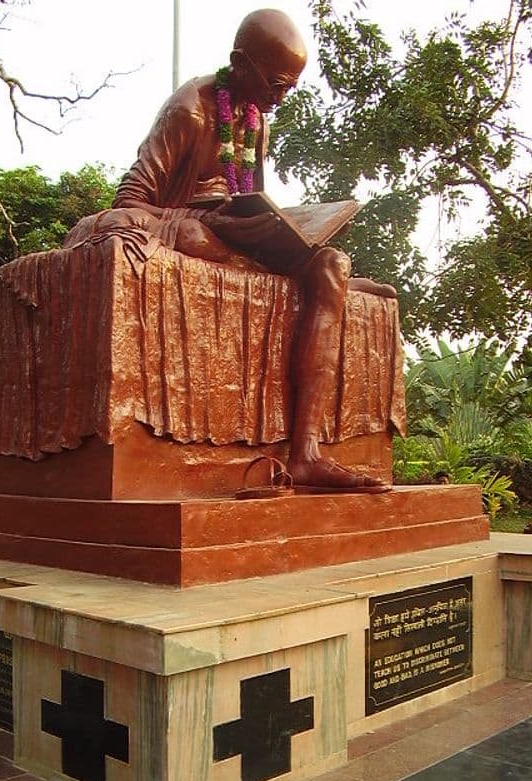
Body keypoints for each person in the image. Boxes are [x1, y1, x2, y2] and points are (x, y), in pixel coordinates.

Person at [68, 9, 396, 491]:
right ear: (239, 62)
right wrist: (201, 217)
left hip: (239, 236)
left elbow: (250, 198)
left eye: (290, 89)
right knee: (202, 240)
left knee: (332, 264)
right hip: (193, 230)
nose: (279, 98)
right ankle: (283, 269)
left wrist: (274, 227)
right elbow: (131, 202)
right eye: (275, 84)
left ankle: (305, 454)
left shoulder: (255, 121)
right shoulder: (190, 109)